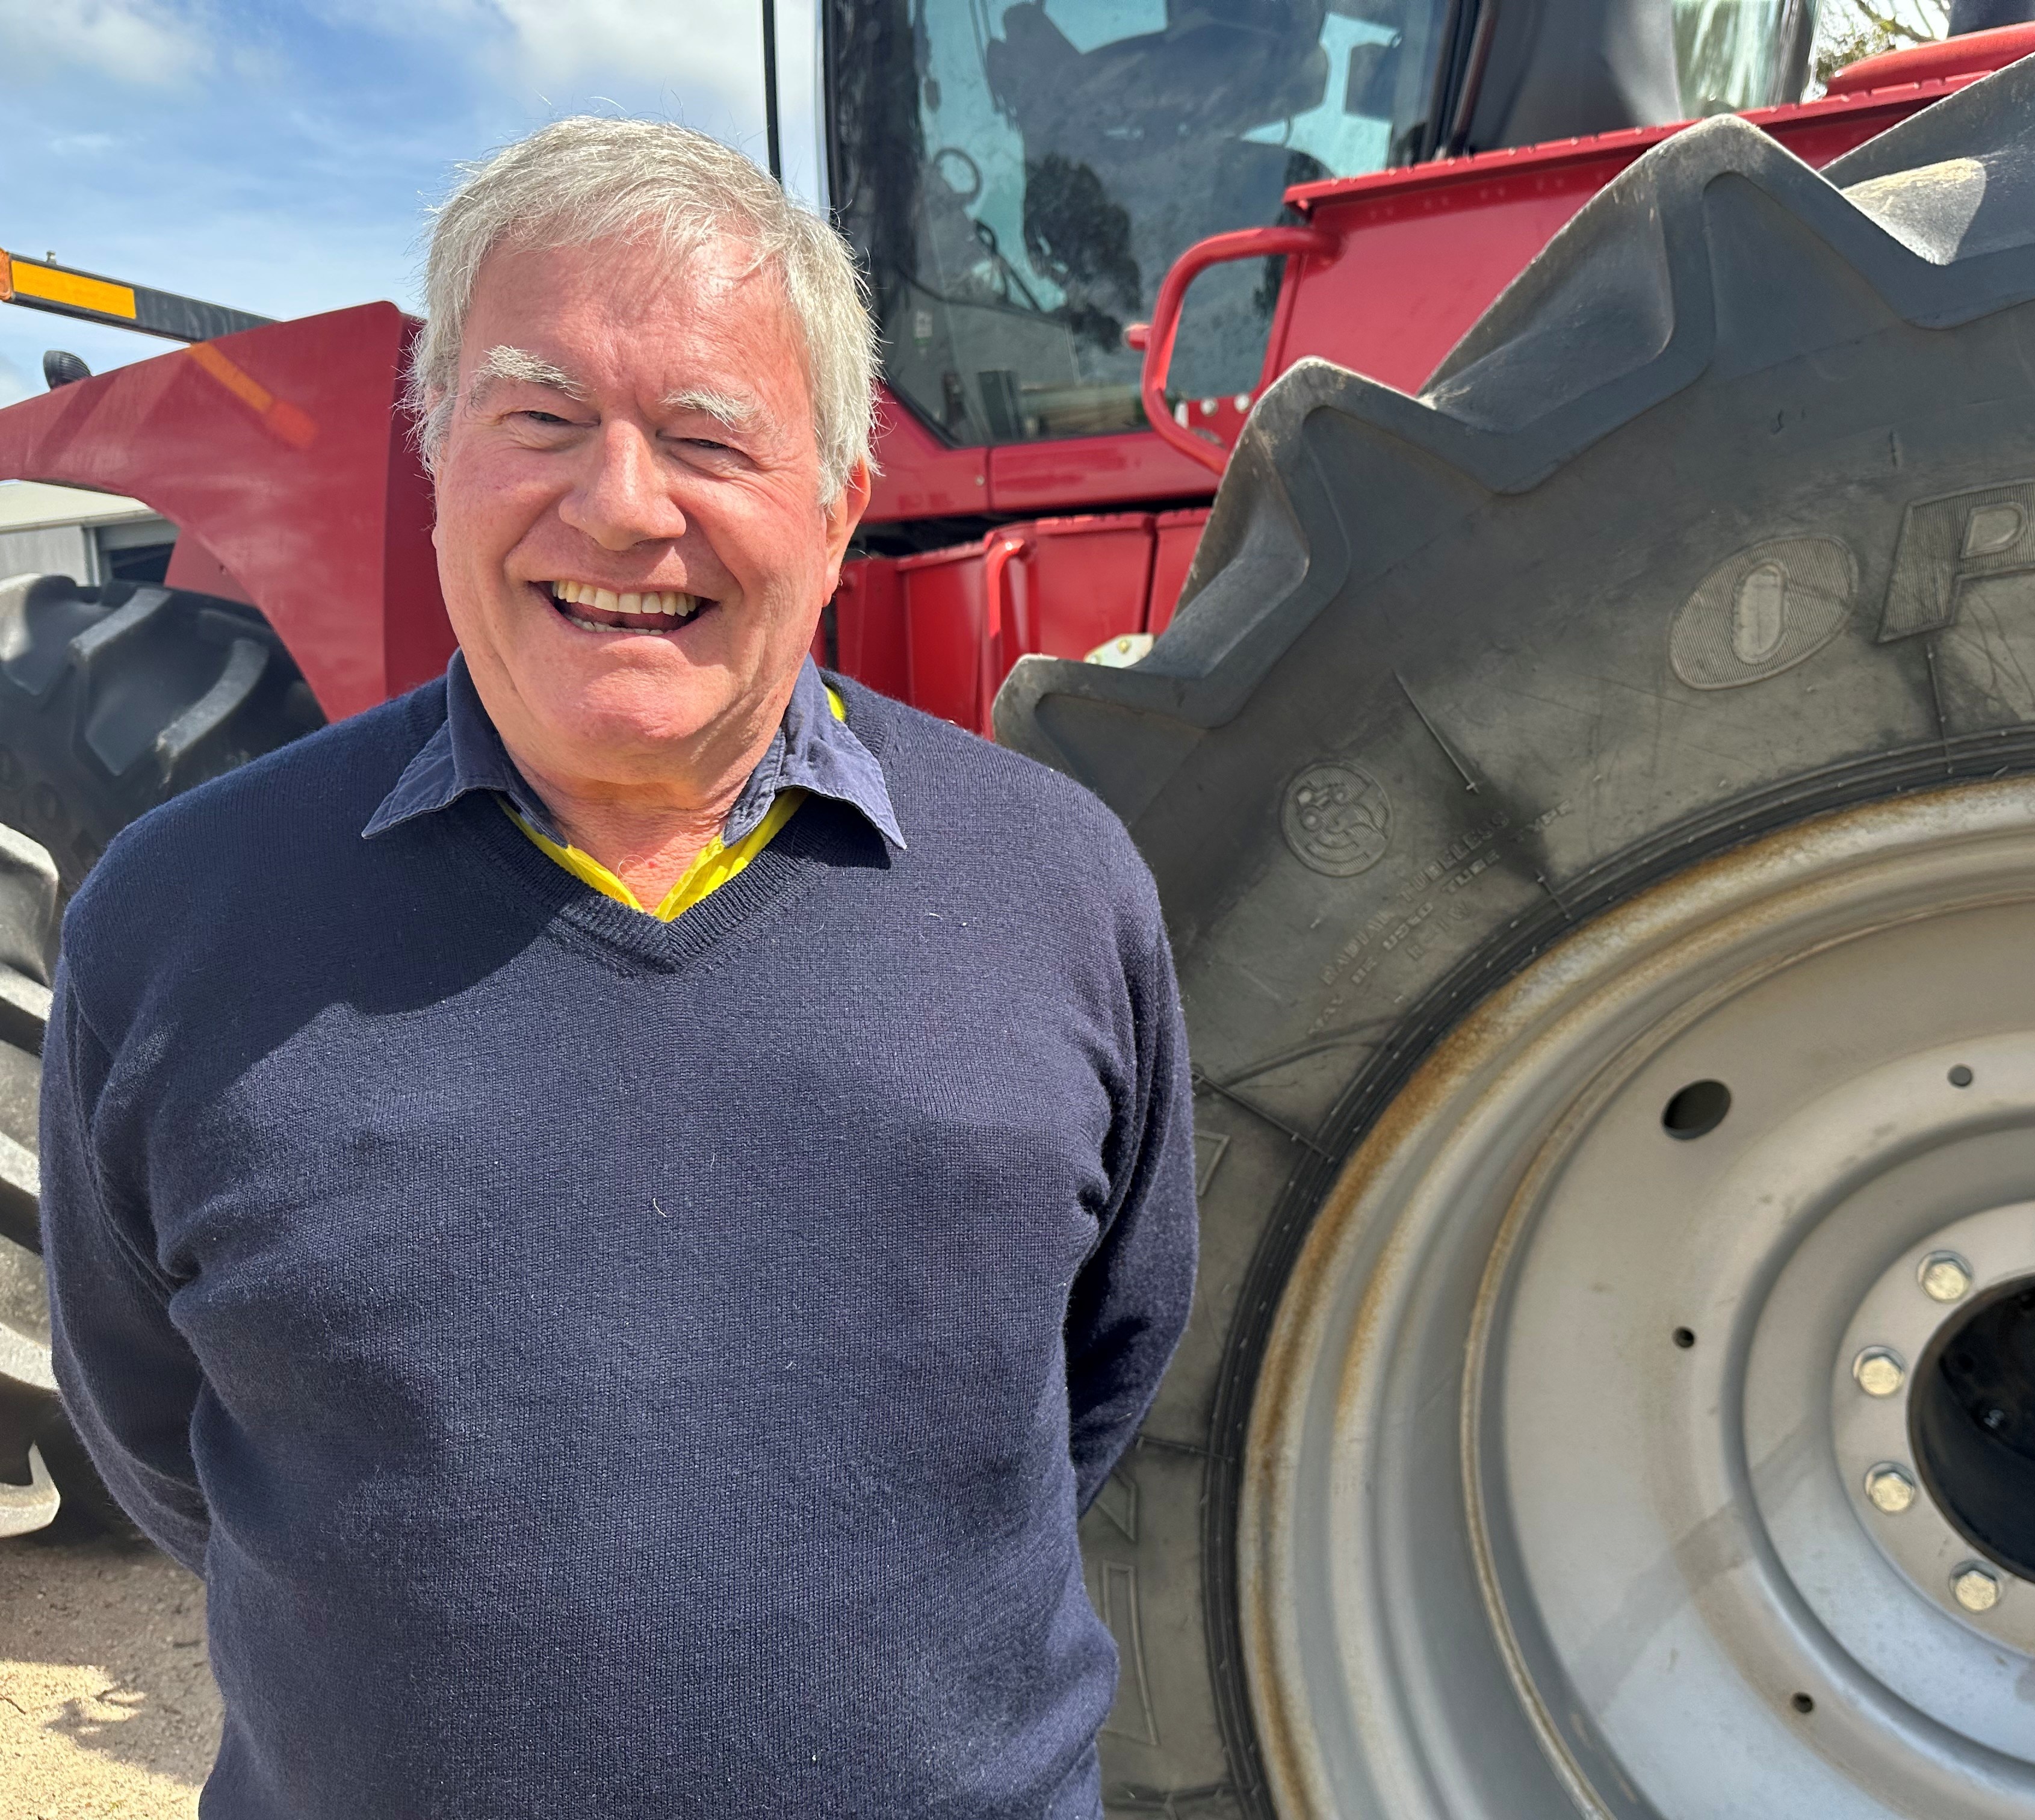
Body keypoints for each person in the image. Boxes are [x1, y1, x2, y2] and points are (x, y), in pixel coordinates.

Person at [40, 116, 1196, 1819]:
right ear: (439, 461)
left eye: (708, 438)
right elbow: (159, 1423)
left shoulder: (1056, 884)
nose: (622, 503)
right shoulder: (176, 919)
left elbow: (1101, 1371)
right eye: (542, 420)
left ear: (838, 506)